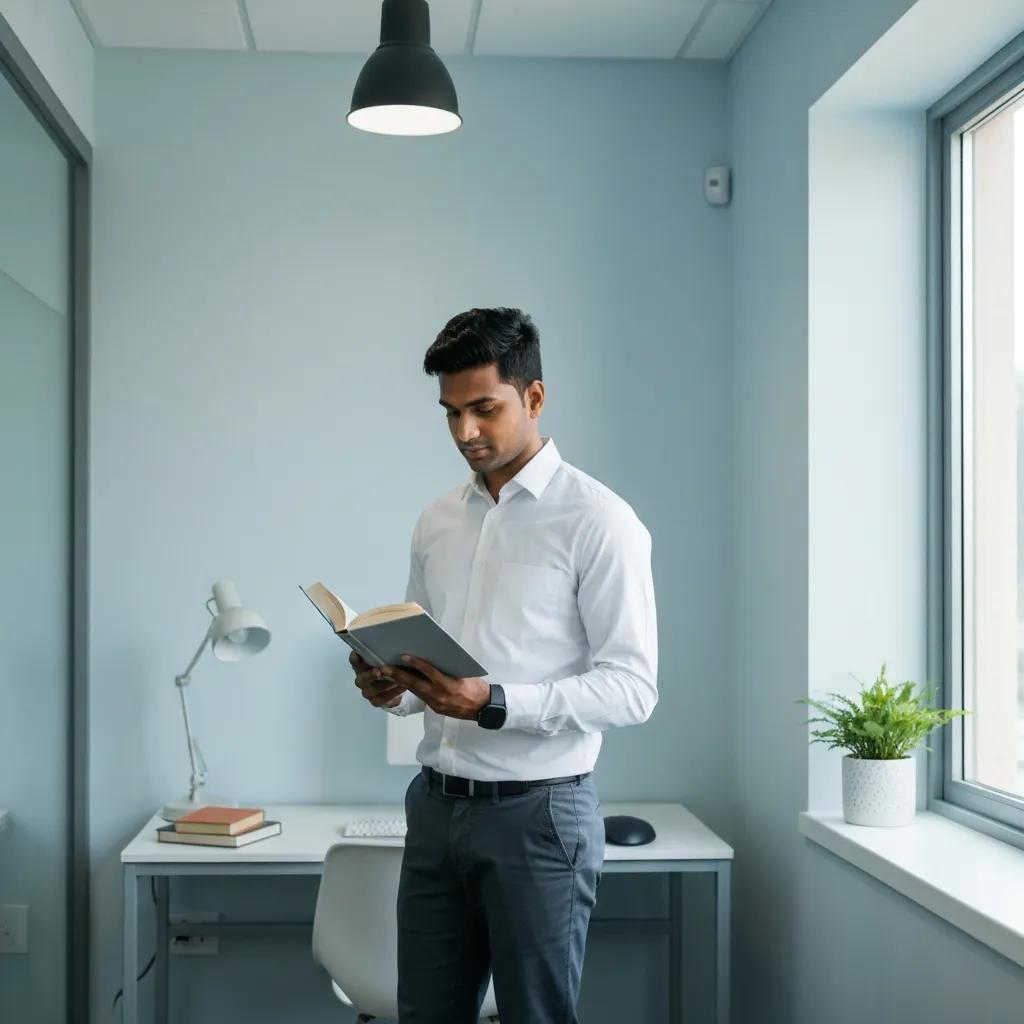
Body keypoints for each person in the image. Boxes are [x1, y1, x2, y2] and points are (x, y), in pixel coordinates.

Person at [349, 307, 658, 1024]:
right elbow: (423, 662)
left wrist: (492, 702)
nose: (465, 433)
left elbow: (634, 688)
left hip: (539, 815)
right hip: (434, 809)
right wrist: (389, 684)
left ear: (535, 398)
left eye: (483, 409)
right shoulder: (438, 520)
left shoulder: (599, 521)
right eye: (451, 413)